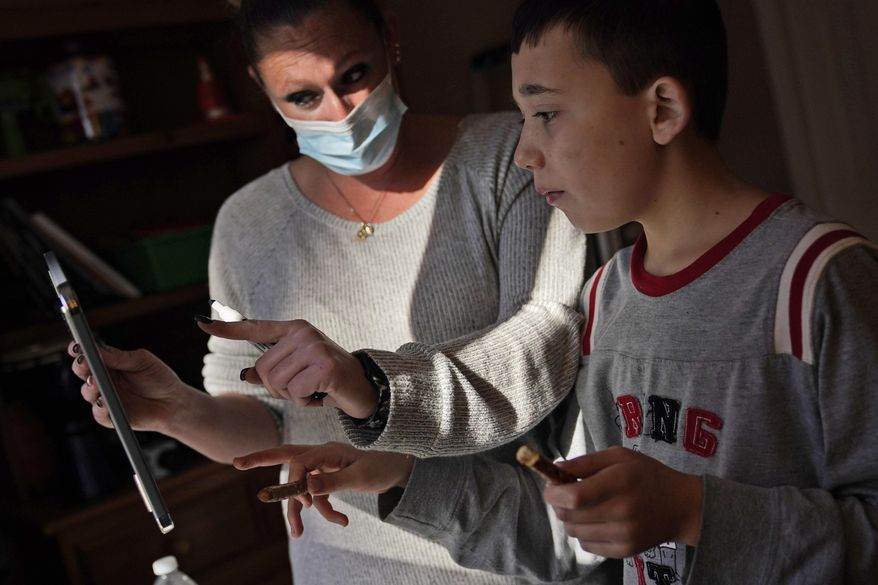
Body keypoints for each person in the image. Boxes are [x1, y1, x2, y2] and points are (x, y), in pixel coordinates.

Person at [231, 1, 878, 584]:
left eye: (545, 114)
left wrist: (694, 512)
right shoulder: (607, 302)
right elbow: (572, 542)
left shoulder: (818, 280)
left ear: (662, 110)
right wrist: (397, 476)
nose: (524, 153)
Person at [70, 0, 590, 584]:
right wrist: (180, 412)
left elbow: (545, 349)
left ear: (389, 38)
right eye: (303, 98)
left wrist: (370, 384)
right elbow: (269, 426)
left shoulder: (511, 159)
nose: (341, 114)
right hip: (338, 564)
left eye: (354, 76)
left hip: (505, 555)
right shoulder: (248, 221)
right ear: (259, 87)